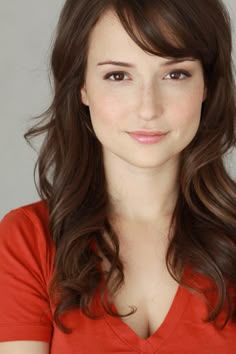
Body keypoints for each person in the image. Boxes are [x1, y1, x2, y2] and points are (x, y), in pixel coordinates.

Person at [0, 0, 236, 353]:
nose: (147, 107)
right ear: (82, 86)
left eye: (175, 74)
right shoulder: (27, 241)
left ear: (207, 85)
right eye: (118, 75)